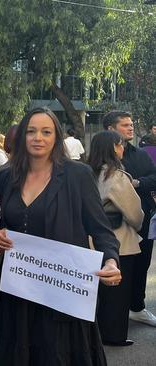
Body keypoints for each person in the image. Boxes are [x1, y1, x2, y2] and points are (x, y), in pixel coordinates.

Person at [0, 107, 121, 365]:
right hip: (19, 293)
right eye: (31, 131)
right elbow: (6, 224)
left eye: (46, 132)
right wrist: (0, 235)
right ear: (22, 137)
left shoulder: (77, 175)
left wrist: (111, 261)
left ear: (56, 137)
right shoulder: (7, 176)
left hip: (62, 295)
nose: (38, 137)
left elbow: (101, 229)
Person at [88, 130, 143, 347]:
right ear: (113, 148)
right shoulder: (115, 176)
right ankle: (114, 335)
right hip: (118, 240)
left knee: (94, 293)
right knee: (117, 295)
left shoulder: (86, 172)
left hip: (90, 239)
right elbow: (134, 213)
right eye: (120, 145)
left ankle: (93, 334)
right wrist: (139, 225)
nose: (123, 149)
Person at [103, 110, 156, 327]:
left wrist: (137, 184)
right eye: (125, 125)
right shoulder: (99, 157)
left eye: (131, 124)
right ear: (110, 129)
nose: (131, 128)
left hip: (141, 220)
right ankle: (110, 315)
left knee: (141, 265)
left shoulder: (141, 154)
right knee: (113, 267)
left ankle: (137, 306)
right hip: (113, 227)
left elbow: (154, 177)